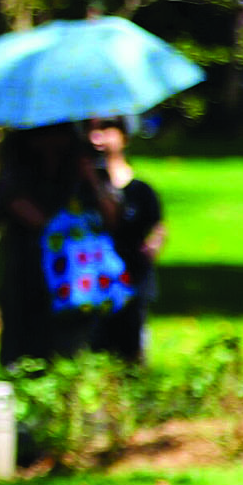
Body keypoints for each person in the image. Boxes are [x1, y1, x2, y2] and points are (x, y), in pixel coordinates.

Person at [0, 121, 123, 370]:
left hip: (77, 279)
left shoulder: (84, 158)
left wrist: (90, 177)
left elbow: (112, 217)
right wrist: (53, 229)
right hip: (27, 270)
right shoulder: (18, 157)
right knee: (23, 349)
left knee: (72, 348)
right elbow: (8, 202)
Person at [87, 117, 164, 362]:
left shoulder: (141, 190)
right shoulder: (82, 188)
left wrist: (153, 245)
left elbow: (157, 226)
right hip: (93, 283)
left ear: (124, 137)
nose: (97, 138)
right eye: (91, 130)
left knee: (132, 353)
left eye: (106, 129)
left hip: (133, 281)